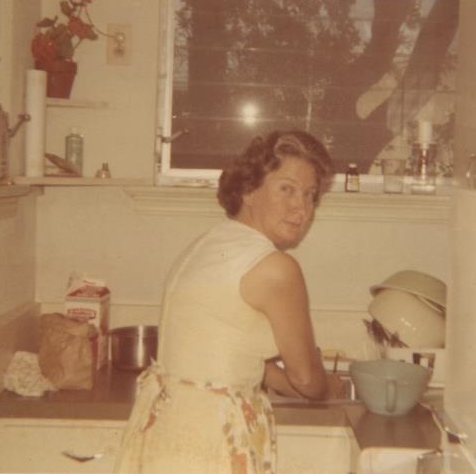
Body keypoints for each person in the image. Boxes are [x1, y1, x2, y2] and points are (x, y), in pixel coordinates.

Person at [114, 130, 342, 474]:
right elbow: (307, 379)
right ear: (249, 190)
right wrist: (330, 388)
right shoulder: (276, 268)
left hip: (167, 426)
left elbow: (230, 349)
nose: (302, 208)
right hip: (211, 437)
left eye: (311, 195)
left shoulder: (208, 244)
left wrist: (295, 383)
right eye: (287, 189)